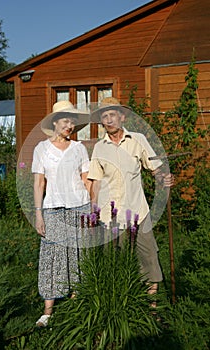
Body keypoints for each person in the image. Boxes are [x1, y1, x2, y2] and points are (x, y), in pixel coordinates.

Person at [88, 97, 174, 305]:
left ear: (122, 117)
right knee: (112, 262)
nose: (109, 120)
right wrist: (93, 210)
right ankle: (120, 305)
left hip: (138, 212)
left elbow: (155, 168)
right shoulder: (100, 148)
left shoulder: (138, 140)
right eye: (104, 117)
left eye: (112, 115)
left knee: (149, 258)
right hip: (110, 217)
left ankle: (152, 307)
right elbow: (95, 181)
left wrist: (164, 177)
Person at [31, 100, 91, 327]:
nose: (70, 125)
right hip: (53, 209)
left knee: (77, 256)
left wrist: (93, 209)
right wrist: (39, 214)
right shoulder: (41, 149)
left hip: (79, 207)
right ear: (55, 122)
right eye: (65, 121)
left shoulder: (79, 149)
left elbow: (86, 180)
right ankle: (47, 311)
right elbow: (39, 183)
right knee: (52, 257)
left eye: (72, 122)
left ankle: (77, 304)